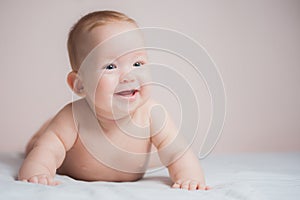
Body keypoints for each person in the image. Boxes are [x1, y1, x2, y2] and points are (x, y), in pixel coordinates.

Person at [18, 10, 209, 190]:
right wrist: (39, 171)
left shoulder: (152, 115)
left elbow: (177, 152)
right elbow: (49, 151)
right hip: (64, 148)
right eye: (110, 66)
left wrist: (189, 176)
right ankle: (42, 131)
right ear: (79, 84)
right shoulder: (73, 117)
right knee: (38, 143)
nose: (128, 76)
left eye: (137, 63)